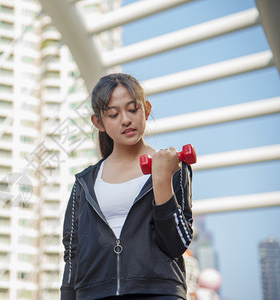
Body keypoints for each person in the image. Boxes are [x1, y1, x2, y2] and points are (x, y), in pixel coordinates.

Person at [60, 73, 194, 300]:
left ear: (147, 109)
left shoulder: (173, 167)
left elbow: (177, 243)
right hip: (94, 295)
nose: (125, 120)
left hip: (158, 293)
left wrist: (161, 179)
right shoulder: (84, 183)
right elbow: (72, 254)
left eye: (133, 109)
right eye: (113, 114)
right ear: (98, 123)